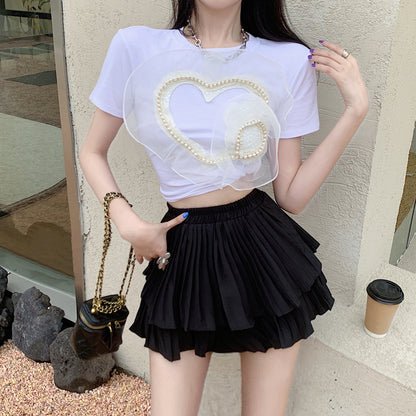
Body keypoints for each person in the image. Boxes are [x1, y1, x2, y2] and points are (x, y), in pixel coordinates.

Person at [79, 0, 369, 415]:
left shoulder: (288, 60)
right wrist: (127, 222)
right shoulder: (135, 46)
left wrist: (355, 111)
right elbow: (92, 151)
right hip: (181, 246)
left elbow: (291, 196)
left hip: (261, 249)